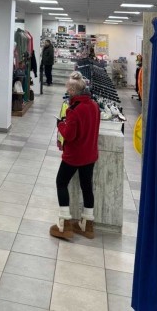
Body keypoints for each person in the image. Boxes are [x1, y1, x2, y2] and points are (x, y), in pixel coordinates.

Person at [50, 71, 100, 241]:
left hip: (74, 155)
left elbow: (69, 135)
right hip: (90, 154)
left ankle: (64, 223)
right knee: (87, 186)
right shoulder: (94, 106)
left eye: (68, 89)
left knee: (61, 182)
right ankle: (87, 224)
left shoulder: (74, 110)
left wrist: (60, 124)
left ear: (72, 91)